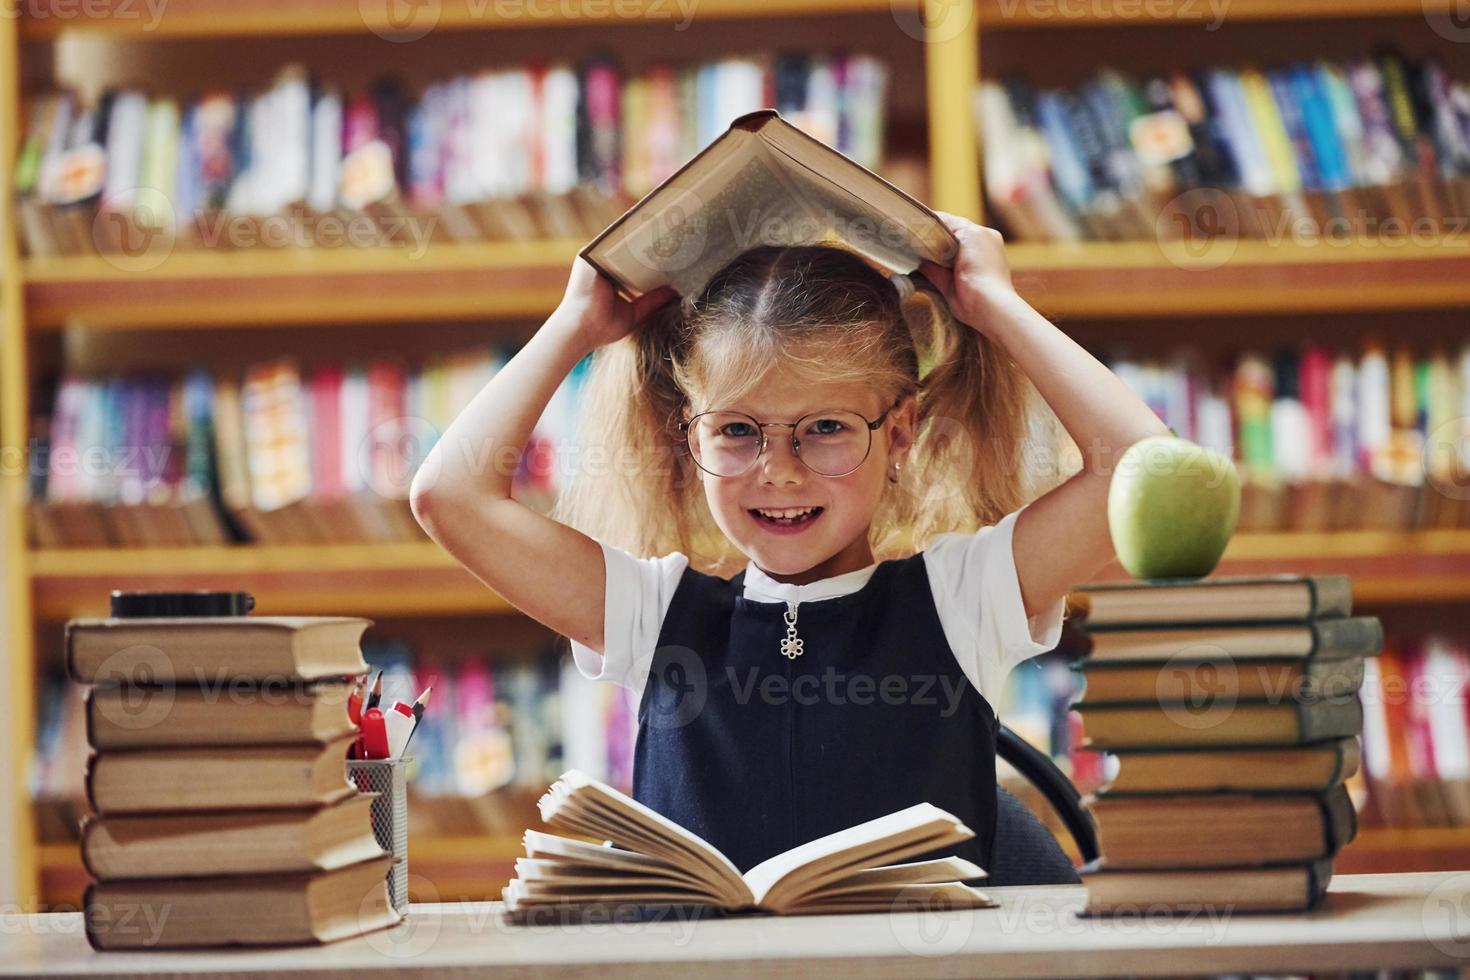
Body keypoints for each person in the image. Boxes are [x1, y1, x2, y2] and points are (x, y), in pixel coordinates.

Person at [410, 211, 1170, 875]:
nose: (779, 473)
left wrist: (996, 306)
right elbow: (449, 496)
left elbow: (1148, 468)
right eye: (738, 431)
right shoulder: (649, 613)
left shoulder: (963, 600)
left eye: (827, 428)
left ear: (899, 431)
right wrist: (574, 324)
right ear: (689, 433)